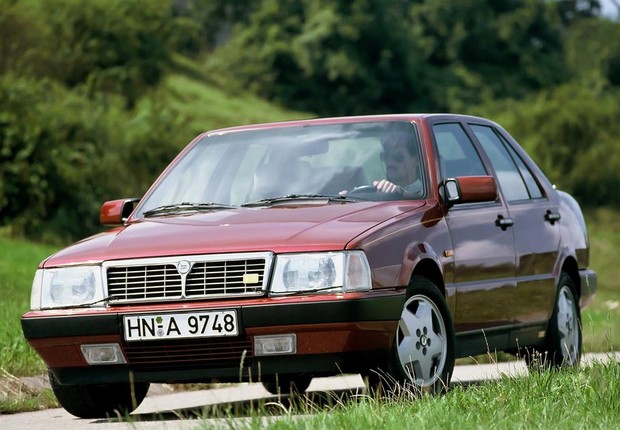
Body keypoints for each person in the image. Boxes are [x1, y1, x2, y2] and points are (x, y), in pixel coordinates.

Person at [372, 129, 422, 198]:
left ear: (416, 160)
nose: (390, 161)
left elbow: (420, 199)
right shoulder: (377, 190)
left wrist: (400, 192)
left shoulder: (425, 193)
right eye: (386, 155)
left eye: (397, 156)